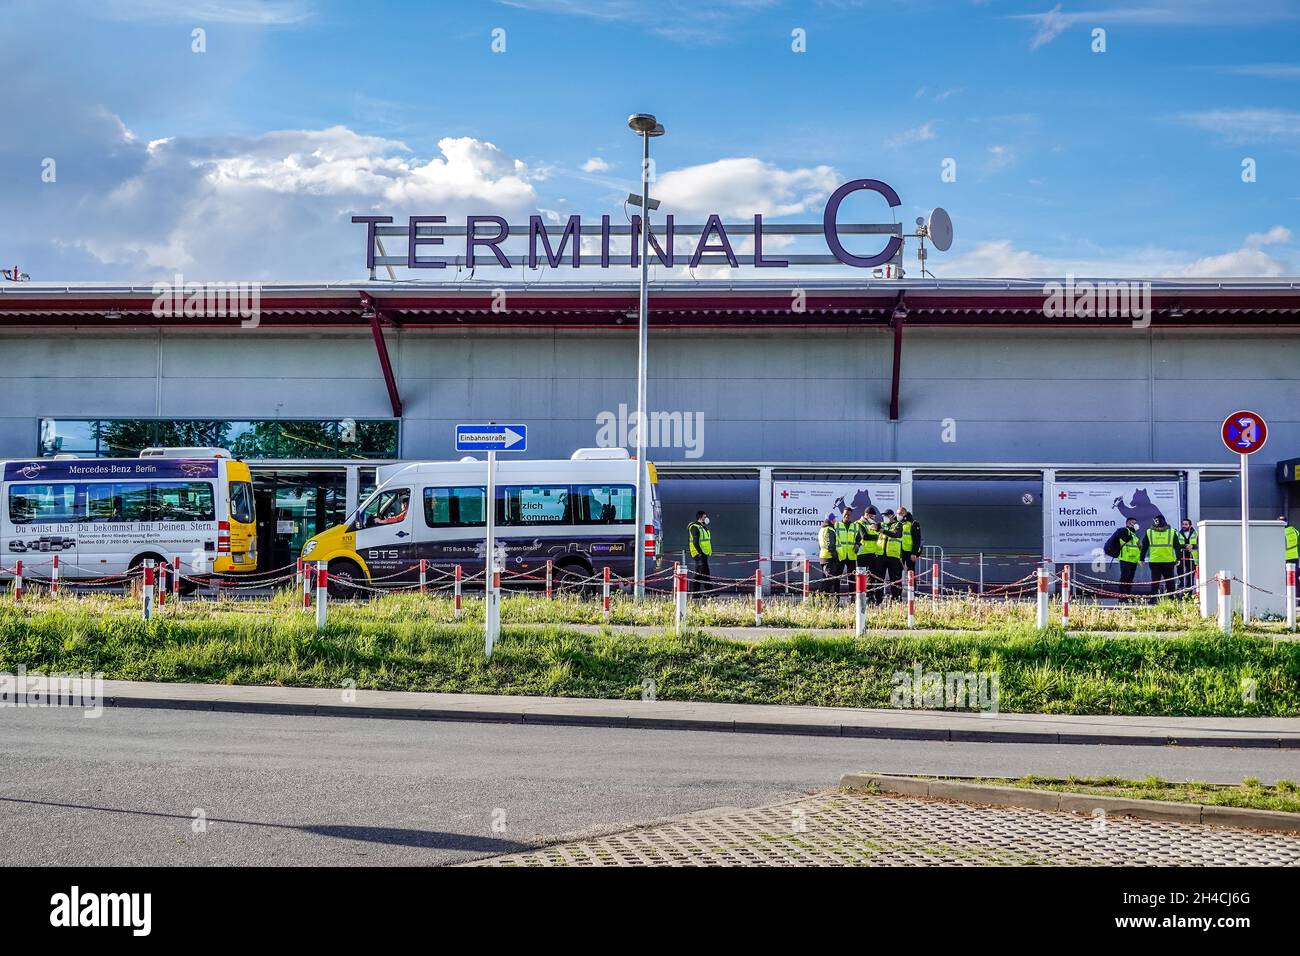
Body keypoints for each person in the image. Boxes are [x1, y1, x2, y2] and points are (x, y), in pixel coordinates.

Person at [1103, 517, 1143, 602]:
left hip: (1133, 560)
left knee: (1130, 579)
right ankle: (1122, 597)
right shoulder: (1123, 530)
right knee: (1124, 578)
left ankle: (1128, 596)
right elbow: (1125, 539)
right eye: (1133, 523)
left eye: (1135, 523)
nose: (1134, 524)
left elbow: (1136, 547)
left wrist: (1139, 559)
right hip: (1125, 559)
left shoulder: (1133, 534)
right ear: (1128, 523)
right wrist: (1131, 529)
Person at [1143, 513, 1178, 599]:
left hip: (1155, 561)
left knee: (1155, 582)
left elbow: (1144, 546)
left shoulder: (1149, 532)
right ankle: (1172, 598)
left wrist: (1141, 559)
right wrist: (1178, 558)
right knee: (1170, 581)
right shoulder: (1172, 531)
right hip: (1168, 561)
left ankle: (1153, 599)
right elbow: (1177, 546)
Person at [854, 506, 884, 605]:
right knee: (861, 576)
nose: (873, 518)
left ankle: (870, 596)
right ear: (866, 515)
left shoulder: (873, 524)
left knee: (872, 577)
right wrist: (876, 536)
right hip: (862, 554)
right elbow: (865, 536)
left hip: (872, 553)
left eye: (874, 516)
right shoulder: (859, 523)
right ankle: (860, 596)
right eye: (872, 516)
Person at [878, 509, 905, 601]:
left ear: (892, 516)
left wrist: (882, 530)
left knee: (895, 579)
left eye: (886, 516)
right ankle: (878, 599)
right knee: (879, 579)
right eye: (884, 516)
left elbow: (896, 534)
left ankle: (896, 598)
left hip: (893, 557)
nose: (884, 518)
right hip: (881, 555)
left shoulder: (898, 525)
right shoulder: (881, 525)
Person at [687, 511, 711, 595]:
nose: (706, 518)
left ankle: (697, 593)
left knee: (702, 573)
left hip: (704, 553)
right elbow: (695, 541)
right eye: (705, 517)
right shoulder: (694, 527)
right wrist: (700, 553)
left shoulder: (702, 527)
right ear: (700, 518)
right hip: (699, 554)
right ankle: (707, 592)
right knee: (702, 573)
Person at [835, 507, 856, 601]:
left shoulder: (855, 526)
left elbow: (860, 539)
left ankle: (852, 599)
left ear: (851, 515)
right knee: (837, 578)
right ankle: (836, 598)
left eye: (849, 514)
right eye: (845, 514)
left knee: (852, 579)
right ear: (842, 514)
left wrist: (858, 544)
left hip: (851, 556)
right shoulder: (837, 525)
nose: (847, 516)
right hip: (840, 556)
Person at [818, 513, 840, 597]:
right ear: (831, 520)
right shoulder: (829, 529)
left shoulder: (822, 529)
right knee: (829, 581)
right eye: (834, 519)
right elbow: (830, 545)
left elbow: (820, 545)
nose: (835, 521)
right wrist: (835, 557)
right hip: (829, 558)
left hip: (823, 557)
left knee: (826, 579)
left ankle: (822, 599)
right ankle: (823, 599)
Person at [897, 505, 923, 575]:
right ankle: (896, 586)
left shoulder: (913, 523)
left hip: (910, 552)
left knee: (910, 572)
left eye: (900, 514)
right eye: (898, 514)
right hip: (900, 552)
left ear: (905, 513)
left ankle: (912, 586)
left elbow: (917, 539)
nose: (898, 515)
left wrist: (914, 553)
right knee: (897, 571)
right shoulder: (898, 523)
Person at [1176, 518, 1198, 595]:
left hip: (1192, 557)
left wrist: (1192, 546)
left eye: (1186, 524)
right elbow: (1176, 545)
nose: (1184, 526)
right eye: (1183, 524)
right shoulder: (1178, 534)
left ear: (1190, 525)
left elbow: (1200, 544)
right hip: (1181, 557)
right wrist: (1185, 546)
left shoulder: (1196, 534)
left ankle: (1188, 595)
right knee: (1181, 575)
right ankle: (1181, 593)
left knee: (1190, 576)